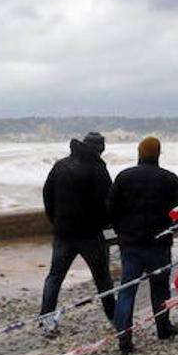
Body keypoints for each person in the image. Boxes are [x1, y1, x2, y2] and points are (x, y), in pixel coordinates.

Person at [108, 136, 178, 354]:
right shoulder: (169, 179)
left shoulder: (124, 177)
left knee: (127, 289)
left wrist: (121, 231)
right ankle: (163, 327)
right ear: (158, 153)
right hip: (158, 243)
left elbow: (111, 209)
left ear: (139, 153)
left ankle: (123, 333)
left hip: (131, 243)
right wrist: (173, 227)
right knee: (160, 287)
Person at [39, 132, 115, 329]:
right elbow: (107, 202)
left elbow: (47, 193)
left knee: (55, 276)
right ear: (99, 149)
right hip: (90, 234)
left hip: (63, 232)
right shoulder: (98, 168)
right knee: (102, 277)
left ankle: (46, 319)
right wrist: (106, 223)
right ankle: (114, 317)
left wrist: (54, 220)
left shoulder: (61, 165)